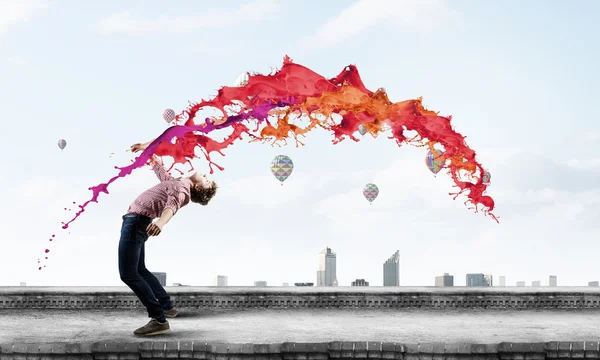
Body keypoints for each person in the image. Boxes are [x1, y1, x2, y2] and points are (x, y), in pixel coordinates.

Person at [120, 139, 218, 336]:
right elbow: (160, 170)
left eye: (206, 180)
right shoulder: (177, 183)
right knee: (140, 270)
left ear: (198, 188)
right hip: (137, 222)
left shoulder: (181, 190)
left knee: (128, 274)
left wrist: (160, 223)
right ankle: (167, 307)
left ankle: (158, 319)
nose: (205, 175)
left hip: (136, 222)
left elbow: (170, 207)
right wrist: (146, 150)